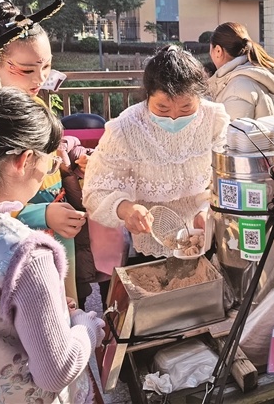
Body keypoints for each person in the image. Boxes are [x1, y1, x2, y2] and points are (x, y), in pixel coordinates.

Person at [0, 86, 105, 404]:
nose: (47, 172)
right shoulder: (27, 254)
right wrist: (85, 326)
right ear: (25, 160)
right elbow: (56, 371)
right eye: (49, 163)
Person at [83, 45, 230, 262]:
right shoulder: (125, 129)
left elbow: (225, 175)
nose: (174, 117)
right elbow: (95, 192)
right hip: (151, 237)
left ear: (200, 98)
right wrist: (126, 209)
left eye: (186, 108)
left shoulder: (213, 118)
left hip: (204, 232)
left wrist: (208, 210)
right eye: (162, 109)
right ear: (147, 96)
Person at [0, 0, 86, 300]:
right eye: (27, 69)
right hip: (18, 236)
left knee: (67, 302)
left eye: (46, 66)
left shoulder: (37, 102)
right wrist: (40, 214)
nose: (40, 78)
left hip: (57, 216)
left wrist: (70, 161)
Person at [208, 22, 274, 120]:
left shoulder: (238, 87)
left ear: (218, 51)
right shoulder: (241, 78)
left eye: (210, 49)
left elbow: (232, 128)